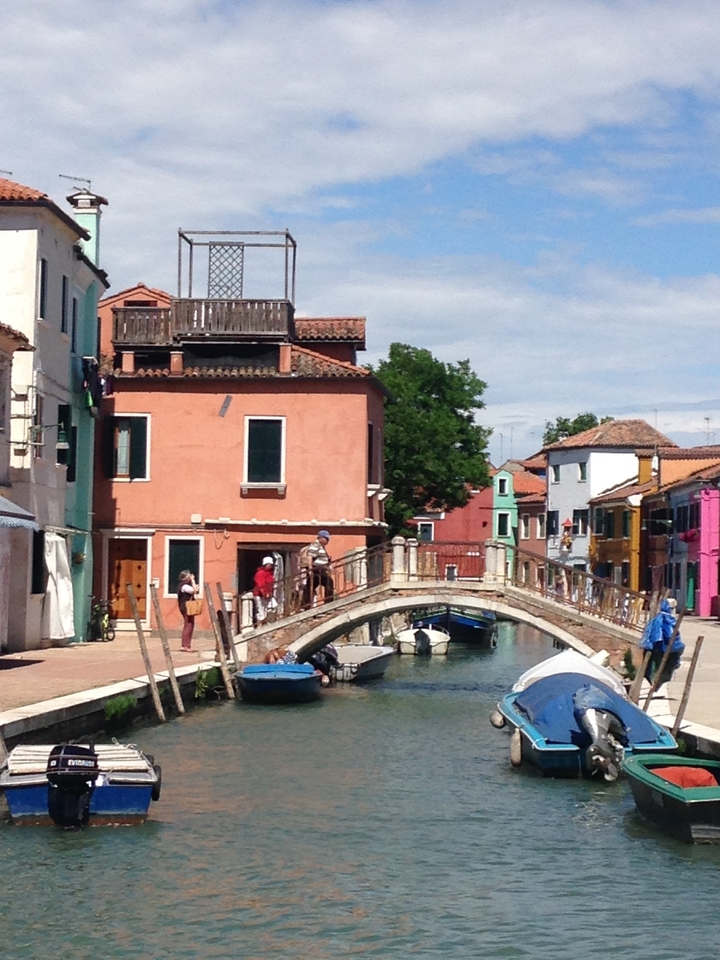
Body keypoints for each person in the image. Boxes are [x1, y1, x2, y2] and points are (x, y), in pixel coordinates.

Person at [640, 598, 684, 685]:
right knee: (659, 666)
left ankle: (656, 682)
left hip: (660, 646)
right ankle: (656, 682)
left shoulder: (659, 619)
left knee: (658, 666)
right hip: (662, 646)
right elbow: (665, 635)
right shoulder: (665, 619)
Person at [302, 530, 334, 608]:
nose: (328, 540)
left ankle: (305, 605)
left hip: (318, 569)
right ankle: (328, 602)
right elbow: (310, 557)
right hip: (317, 568)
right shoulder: (316, 545)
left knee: (310, 586)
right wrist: (310, 569)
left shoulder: (320, 546)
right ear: (321, 538)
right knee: (328, 582)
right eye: (326, 538)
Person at [177, 569, 199, 651]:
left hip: (187, 606)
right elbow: (194, 590)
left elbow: (196, 588)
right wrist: (193, 580)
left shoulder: (186, 585)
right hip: (186, 607)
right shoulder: (184, 586)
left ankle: (187, 645)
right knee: (188, 625)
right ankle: (185, 645)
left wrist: (193, 582)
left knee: (190, 624)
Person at [253, 556, 276, 625]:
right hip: (260, 595)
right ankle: (260, 625)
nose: (269, 565)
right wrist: (264, 593)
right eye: (267, 564)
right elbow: (260, 584)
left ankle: (267, 622)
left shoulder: (270, 573)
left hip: (268, 594)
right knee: (261, 611)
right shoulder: (260, 573)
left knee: (273, 606)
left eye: (270, 564)